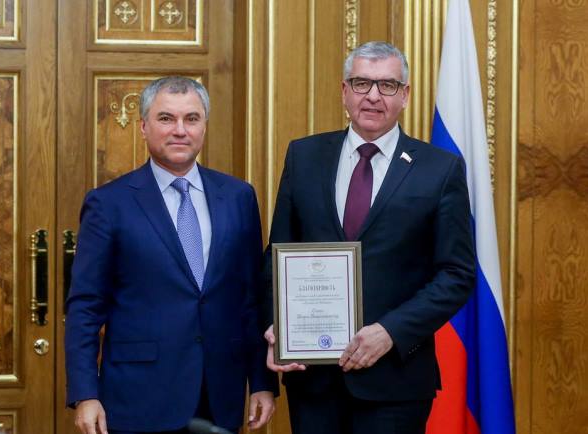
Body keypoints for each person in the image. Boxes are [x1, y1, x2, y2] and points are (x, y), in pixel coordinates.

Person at [263, 41, 476, 434]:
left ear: (405, 95)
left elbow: (456, 275)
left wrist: (391, 332)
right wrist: (279, 325)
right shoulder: (304, 156)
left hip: (395, 381)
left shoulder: (439, 169)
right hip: (313, 381)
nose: (374, 96)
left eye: (388, 85)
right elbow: (276, 258)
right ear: (345, 91)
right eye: (362, 83)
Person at [65, 76, 276, 434]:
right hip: (138, 397)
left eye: (191, 118)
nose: (180, 130)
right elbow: (85, 305)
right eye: (166, 118)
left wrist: (261, 382)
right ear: (143, 126)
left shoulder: (238, 197)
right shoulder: (108, 203)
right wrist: (85, 393)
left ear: (204, 126)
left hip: (218, 393)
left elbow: (250, 299)